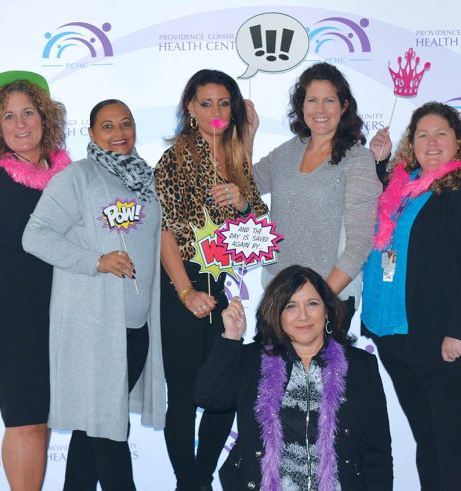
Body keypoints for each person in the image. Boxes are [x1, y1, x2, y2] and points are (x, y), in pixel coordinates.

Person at [361, 102, 461, 491]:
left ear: (459, 140)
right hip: (402, 338)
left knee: (455, 450)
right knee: (429, 445)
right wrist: (379, 166)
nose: (431, 143)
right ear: (410, 144)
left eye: (441, 134)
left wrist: (457, 331)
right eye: (422, 135)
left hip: (452, 343)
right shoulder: (404, 187)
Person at [22, 99, 166, 490]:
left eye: (126, 123)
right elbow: (34, 236)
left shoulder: (148, 179)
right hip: (94, 328)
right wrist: (96, 260)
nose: (119, 133)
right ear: (91, 134)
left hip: (136, 330)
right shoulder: (77, 178)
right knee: (108, 431)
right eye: (107, 126)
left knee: (93, 431)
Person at [0, 70, 70, 490]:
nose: (21, 124)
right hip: (10, 329)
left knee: (41, 422)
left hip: (58, 324)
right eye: (8, 117)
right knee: (25, 421)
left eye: (28, 112)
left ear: (45, 118)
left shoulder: (66, 179)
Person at [154, 69, 268, 491]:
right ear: (190, 108)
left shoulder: (236, 157)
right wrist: (184, 291)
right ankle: (190, 482)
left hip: (227, 284)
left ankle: (200, 480)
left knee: (225, 388)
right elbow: (164, 232)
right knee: (183, 393)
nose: (216, 112)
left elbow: (257, 234)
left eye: (224, 103)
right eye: (206, 103)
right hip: (185, 282)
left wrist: (242, 202)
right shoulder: (176, 158)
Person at [195, 265, 393, 490]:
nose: (303, 316)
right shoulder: (253, 360)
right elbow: (207, 397)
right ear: (276, 313)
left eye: (312, 303)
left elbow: (378, 453)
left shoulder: (360, 365)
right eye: (291, 306)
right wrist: (230, 338)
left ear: (327, 310)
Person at [252, 62, 381, 326]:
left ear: (344, 106)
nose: (319, 109)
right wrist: (246, 136)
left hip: (331, 300)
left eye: (328, 100)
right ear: (301, 105)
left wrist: (318, 301)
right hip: (279, 297)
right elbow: (244, 187)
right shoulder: (286, 152)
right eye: (312, 100)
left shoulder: (357, 159)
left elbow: (360, 243)